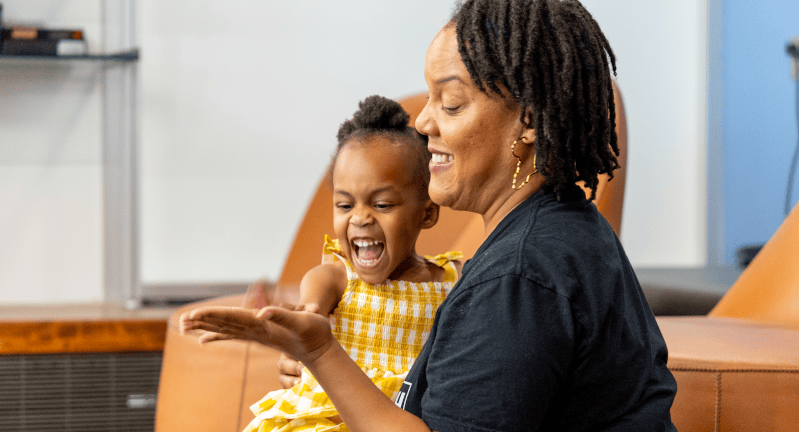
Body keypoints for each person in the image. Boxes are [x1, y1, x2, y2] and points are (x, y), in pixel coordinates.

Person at [181, 0, 678, 431]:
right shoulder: (560, 232)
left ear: (527, 120)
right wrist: (332, 373)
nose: (423, 122)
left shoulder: (521, 276)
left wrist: (321, 353)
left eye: (452, 103)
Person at [185, 94, 463, 432]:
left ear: (428, 212)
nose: (360, 218)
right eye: (345, 206)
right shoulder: (336, 277)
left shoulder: (453, 280)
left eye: (383, 204)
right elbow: (310, 311)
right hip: (329, 419)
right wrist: (286, 325)